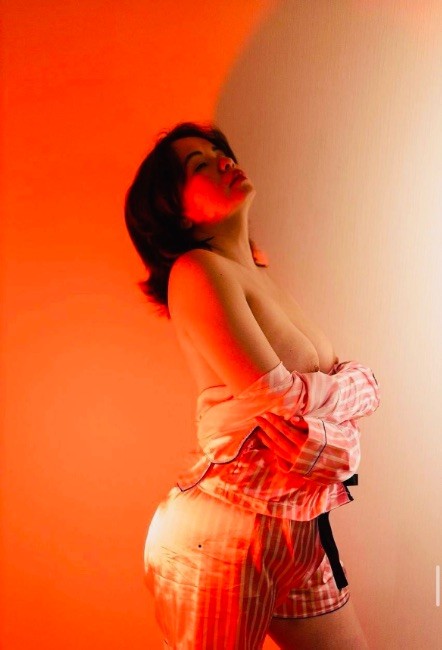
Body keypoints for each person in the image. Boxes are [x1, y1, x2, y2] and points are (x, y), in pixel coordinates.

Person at [124, 122, 380, 649]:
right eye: (199, 164)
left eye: (218, 151)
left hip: (301, 526)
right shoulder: (197, 270)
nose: (223, 160)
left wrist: (357, 393)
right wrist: (351, 427)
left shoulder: (258, 275)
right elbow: (282, 402)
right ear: (174, 212)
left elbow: (333, 389)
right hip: (224, 534)